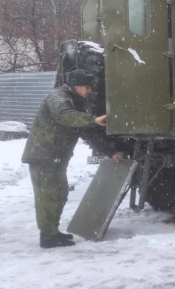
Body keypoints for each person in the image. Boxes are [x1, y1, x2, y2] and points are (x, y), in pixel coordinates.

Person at [22, 69, 122, 249]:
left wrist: (110, 151)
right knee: (48, 196)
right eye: (87, 87)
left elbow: (86, 131)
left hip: (57, 158)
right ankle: (48, 237)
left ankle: (53, 232)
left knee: (60, 193)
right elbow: (65, 116)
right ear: (76, 86)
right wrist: (93, 119)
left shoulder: (76, 103)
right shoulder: (58, 98)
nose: (90, 91)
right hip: (43, 156)